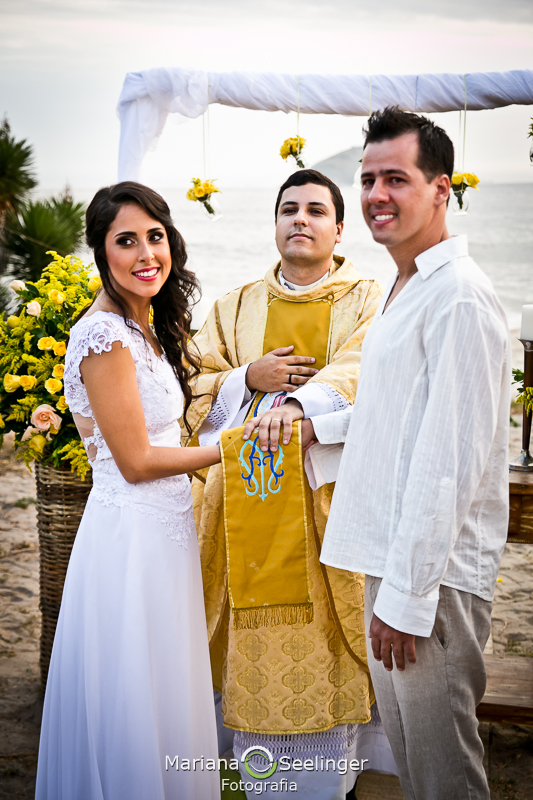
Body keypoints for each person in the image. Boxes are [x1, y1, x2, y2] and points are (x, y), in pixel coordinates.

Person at [253, 109, 511, 800]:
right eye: (367, 179)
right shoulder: (407, 286)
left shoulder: (458, 297)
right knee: (409, 762)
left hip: (430, 578)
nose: (375, 195)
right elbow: (401, 418)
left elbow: (447, 462)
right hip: (391, 558)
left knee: (441, 776)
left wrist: (405, 598)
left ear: (440, 188)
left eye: (395, 178)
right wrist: (319, 431)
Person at [184, 170, 395, 799]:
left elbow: (368, 368)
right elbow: (192, 379)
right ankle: (247, 774)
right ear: (275, 224)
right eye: (288, 210)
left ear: (338, 227)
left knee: (323, 648)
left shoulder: (369, 300)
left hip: (325, 503)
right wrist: (248, 376)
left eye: (314, 211)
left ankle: (328, 782)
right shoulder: (236, 305)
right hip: (240, 508)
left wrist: (300, 404)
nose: (299, 220)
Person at [35, 182, 221, 800]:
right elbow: (137, 460)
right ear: (101, 252)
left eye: (156, 236)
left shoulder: (138, 325)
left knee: (164, 685)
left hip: (164, 533)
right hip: (131, 538)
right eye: (126, 240)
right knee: (136, 692)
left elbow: (165, 423)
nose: (147, 253)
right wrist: (233, 448)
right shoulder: (104, 337)